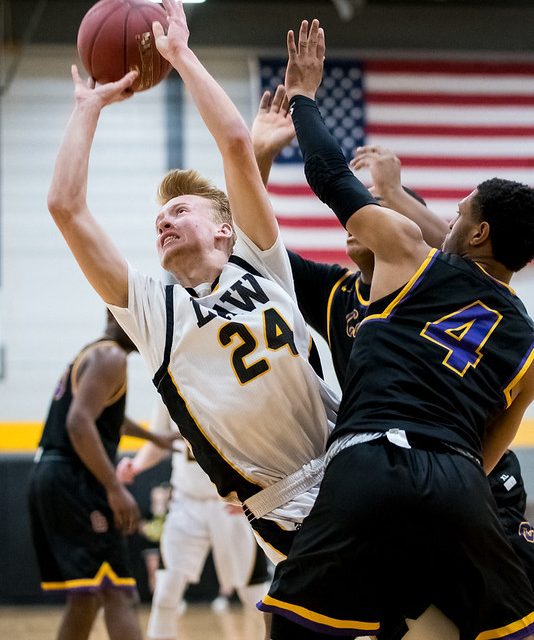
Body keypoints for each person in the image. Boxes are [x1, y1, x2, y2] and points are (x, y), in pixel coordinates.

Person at [257, 19, 534, 640]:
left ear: (480, 233)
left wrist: (303, 94)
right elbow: (494, 441)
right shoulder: (524, 333)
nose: (449, 218)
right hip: (463, 478)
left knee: (299, 624)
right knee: (512, 629)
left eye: (461, 212)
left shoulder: (410, 257)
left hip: (370, 460)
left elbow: (329, 173)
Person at [46, 0, 339, 578]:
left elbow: (235, 143)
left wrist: (180, 54)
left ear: (224, 228)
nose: (164, 221)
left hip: (348, 460)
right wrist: (87, 109)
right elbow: (66, 208)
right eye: (159, 219)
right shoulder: (154, 312)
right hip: (280, 506)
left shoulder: (260, 263)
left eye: (181, 210)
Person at [27, 310, 173, 640]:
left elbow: (102, 416)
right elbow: (79, 424)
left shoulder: (93, 352)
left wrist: (153, 437)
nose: (149, 330)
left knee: (87, 596)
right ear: (120, 315)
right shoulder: (111, 357)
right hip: (75, 479)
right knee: (119, 591)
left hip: (51, 474)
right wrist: (115, 489)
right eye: (144, 318)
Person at [117, 397, 272, 640]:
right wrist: (135, 466)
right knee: (166, 588)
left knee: (254, 594)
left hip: (231, 504)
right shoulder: (165, 386)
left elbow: (260, 440)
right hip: (185, 501)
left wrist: (256, 489)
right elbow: (159, 442)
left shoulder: (228, 382)